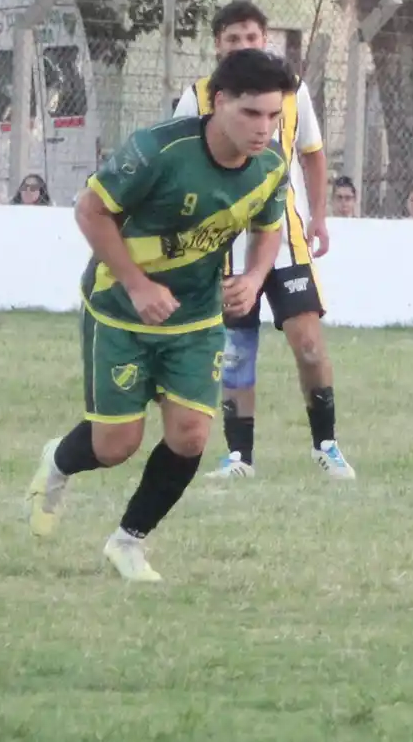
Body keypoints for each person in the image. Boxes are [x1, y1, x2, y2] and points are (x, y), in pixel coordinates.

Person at [23, 48, 295, 581]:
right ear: (219, 102)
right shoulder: (158, 150)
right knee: (115, 446)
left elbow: (269, 227)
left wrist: (254, 277)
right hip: (119, 310)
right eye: (251, 113)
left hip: (195, 318)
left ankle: (128, 542)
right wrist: (137, 283)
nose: (264, 128)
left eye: (273, 115)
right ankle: (57, 461)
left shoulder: (270, 166)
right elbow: (91, 210)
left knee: (191, 436)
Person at [171, 1, 356, 481]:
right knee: (236, 350)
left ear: (265, 40)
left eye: (250, 37)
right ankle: (240, 457)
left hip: (285, 237)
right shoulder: (196, 97)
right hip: (225, 246)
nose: (242, 45)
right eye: (232, 38)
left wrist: (319, 216)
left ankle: (327, 445)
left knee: (309, 344)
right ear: (218, 45)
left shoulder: (293, 92)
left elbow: (312, 153)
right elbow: (178, 165)